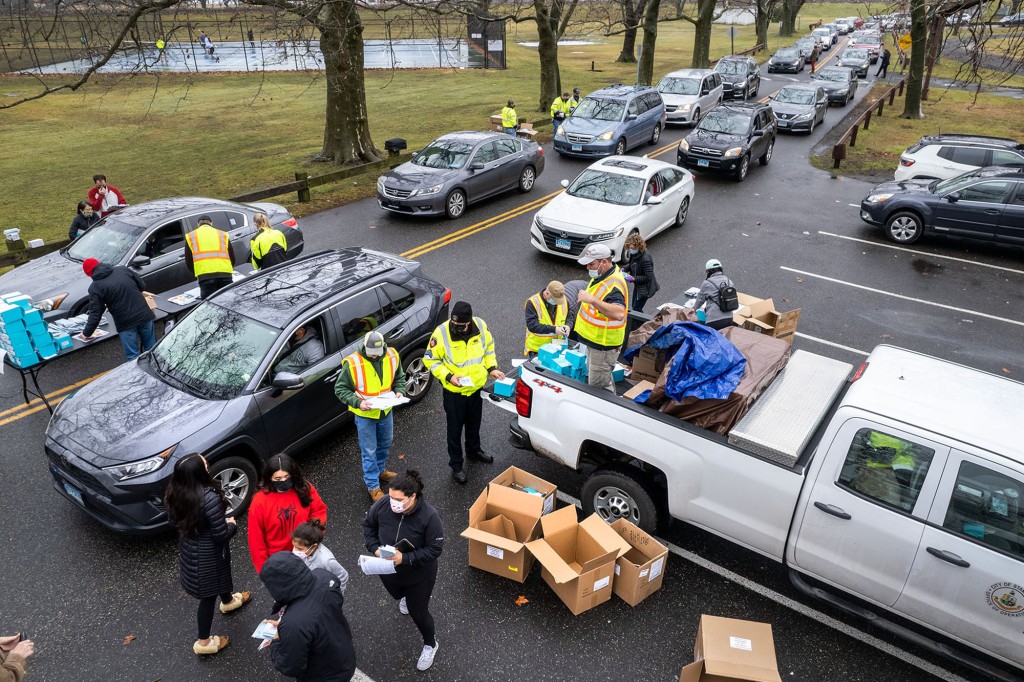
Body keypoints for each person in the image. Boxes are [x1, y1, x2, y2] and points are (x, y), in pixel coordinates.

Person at [164, 454, 252, 656]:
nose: (207, 463)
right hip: (209, 555)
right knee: (208, 597)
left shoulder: (174, 492)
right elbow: (220, 535)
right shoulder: (209, 497)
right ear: (198, 473)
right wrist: (232, 525)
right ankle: (204, 643)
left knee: (219, 579)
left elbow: (172, 522)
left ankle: (228, 601)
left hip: (190, 548)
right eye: (204, 464)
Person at [362, 470, 443, 672]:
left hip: (419, 575)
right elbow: (369, 526)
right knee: (397, 595)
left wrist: (405, 558)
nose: (393, 503)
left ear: (413, 496)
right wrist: (374, 549)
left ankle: (430, 644)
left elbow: (434, 549)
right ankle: (405, 596)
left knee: (419, 612)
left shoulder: (430, 517)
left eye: (399, 499)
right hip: (388, 569)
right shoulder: (382, 505)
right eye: (391, 497)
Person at [423, 302, 504, 484]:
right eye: (454, 324)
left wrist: (491, 368)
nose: (456, 327)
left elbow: (489, 348)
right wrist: (449, 376)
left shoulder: (481, 326)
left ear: (469, 322)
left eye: (461, 325)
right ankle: (456, 465)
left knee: (474, 424)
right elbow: (430, 360)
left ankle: (474, 450)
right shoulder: (441, 333)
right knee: (454, 430)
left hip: (475, 388)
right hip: (454, 392)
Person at [259, 552, 357, 682]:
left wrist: (277, 640)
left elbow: (289, 666)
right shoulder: (324, 577)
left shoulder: (293, 624)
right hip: (345, 656)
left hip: (323, 676)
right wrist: (287, 628)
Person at [334, 331, 406, 502]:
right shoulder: (353, 363)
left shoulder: (391, 355)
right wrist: (358, 403)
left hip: (385, 410)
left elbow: (399, 378)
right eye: (370, 352)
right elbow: (340, 389)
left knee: (385, 443)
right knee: (369, 450)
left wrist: (400, 391)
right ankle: (373, 485)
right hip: (365, 414)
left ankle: (380, 470)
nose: (374, 355)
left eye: (377, 352)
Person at [247, 454, 328, 574]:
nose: (283, 481)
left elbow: (318, 511)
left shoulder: (305, 488)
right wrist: (264, 570)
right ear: (269, 478)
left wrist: (312, 535)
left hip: (307, 552)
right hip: (280, 562)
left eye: (287, 476)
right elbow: (256, 540)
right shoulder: (259, 502)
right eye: (278, 479)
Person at [572, 243, 628, 392]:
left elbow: (619, 313)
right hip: (596, 342)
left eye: (592, 264)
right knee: (599, 380)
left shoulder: (614, 284)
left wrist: (592, 300)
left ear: (604, 262)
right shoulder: (603, 275)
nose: (588, 268)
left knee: (600, 388)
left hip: (603, 345)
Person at [80, 257, 156, 361]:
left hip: (125, 323)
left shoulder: (95, 287)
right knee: (152, 348)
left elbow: (96, 313)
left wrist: (86, 333)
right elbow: (142, 285)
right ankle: (157, 371)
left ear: (89, 273)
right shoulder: (123, 269)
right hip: (144, 315)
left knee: (134, 357)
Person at [184, 215, 235, 300]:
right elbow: (232, 258)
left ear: (198, 224)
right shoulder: (222, 234)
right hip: (225, 274)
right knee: (229, 302)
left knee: (211, 306)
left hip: (205, 277)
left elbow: (189, 262)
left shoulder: (191, 236)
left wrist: (198, 273)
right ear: (211, 223)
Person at [291, 519, 349, 592]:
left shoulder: (326, 560)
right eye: (294, 546)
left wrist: (336, 596)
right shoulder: (301, 549)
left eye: (299, 549)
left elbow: (343, 576)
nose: (295, 551)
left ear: (313, 546)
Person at [523, 280, 569, 358]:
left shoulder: (562, 298)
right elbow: (532, 325)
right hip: (537, 349)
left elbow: (569, 314)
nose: (557, 303)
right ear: (547, 293)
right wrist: (554, 329)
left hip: (557, 347)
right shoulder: (533, 302)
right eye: (555, 300)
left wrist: (568, 325)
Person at [694, 258, 736, 330]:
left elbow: (700, 300)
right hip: (729, 318)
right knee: (725, 339)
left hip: (713, 320)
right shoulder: (729, 281)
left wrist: (692, 310)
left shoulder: (707, 283)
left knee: (712, 340)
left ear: (709, 271)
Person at [622, 233, 659, 313]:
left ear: (638, 246)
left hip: (645, 288)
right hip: (639, 285)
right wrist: (624, 268)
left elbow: (648, 277)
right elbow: (632, 264)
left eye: (631, 248)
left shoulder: (645, 259)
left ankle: (639, 324)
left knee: (636, 309)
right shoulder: (635, 254)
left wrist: (633, 278)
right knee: (634, 306)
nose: (630, 250)